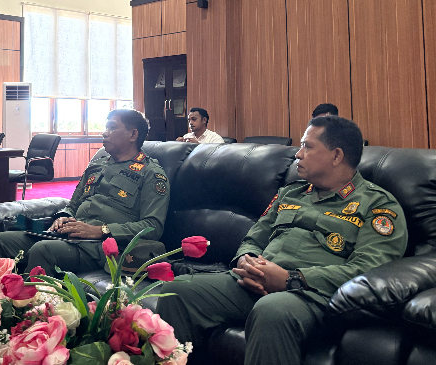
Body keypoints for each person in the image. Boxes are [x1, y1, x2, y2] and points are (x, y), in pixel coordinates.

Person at [159, 116, 407, 365]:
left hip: (312, 296)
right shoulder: (291, 193)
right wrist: (247, 260)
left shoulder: (377, 205)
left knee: (272, 309)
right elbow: (255, 236)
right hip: (254, 284)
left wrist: (292, 280)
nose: (298, 154)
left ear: (336, 155)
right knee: (176, 291)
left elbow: (368, 271)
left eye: (307, 147)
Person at [0, 109, 169, 275]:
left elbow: (153, 226)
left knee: (43, 250)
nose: (104, 133)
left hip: (104, 246)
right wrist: (64, 216)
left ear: (133, 134)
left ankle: (31, 310)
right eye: (105, 127)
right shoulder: (97, 165)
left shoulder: (151, 173)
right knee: (0, 241)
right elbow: (72, 204)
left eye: (112, 128)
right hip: (71, 235)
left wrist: (101, 230)